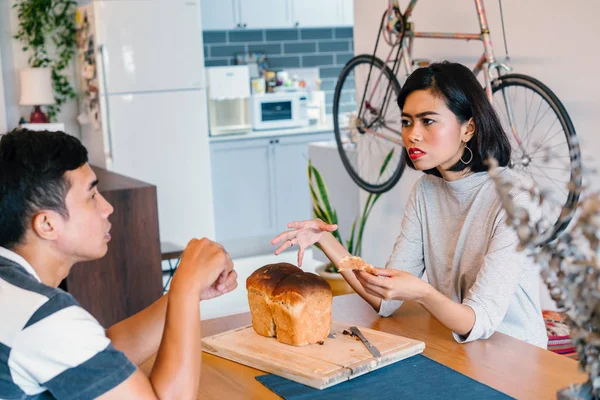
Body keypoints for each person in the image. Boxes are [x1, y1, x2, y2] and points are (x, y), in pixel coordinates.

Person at [272, 62, 547, 348]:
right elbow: (383, 299)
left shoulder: (516, 198)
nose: (412, 135)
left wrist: (423, 293)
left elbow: (480, 319)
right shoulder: (426, 191)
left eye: (428, 121)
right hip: (462, 348)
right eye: (406, 122)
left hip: (517, 353)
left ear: (469, 128)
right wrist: (325, 238)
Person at [0, 129, 238, 399]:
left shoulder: (12, 288)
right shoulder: (42, 318)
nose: (107, 208)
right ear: (46, 224)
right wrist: (187, 289)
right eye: (91, 196)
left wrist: (181, 294)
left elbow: (101, 351)